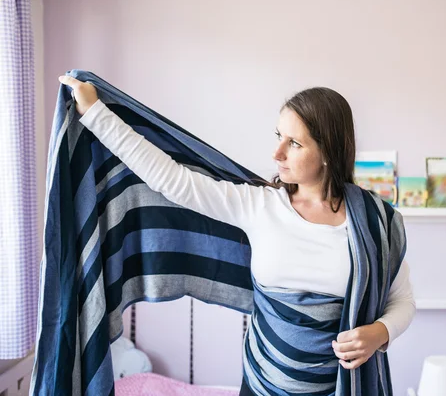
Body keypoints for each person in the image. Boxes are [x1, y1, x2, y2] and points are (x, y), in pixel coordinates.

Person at [58, 75, 416, 395]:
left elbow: (402, 301)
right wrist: (95, 114)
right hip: (263, 382)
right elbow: (172, 180)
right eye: (279, 135)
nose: (277, 152)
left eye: (295, 143)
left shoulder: (377, 222)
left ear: (328, 151)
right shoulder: (258, 204)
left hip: (344, 386)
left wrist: (380, 333)